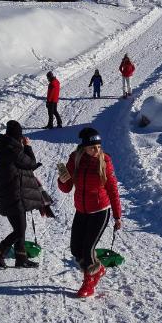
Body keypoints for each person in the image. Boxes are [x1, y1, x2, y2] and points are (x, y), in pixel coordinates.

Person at [57, 127, 122, 298]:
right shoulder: (75, 159)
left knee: (88, 249)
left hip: (100, 210)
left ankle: (89, 283)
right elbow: (66, 187)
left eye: (99, 147)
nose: (97, 150)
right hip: (81, 210)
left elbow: (113, 189)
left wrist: (117, 216)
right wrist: (62, 181)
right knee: (76, 249)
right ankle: (98, 269)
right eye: (93, 147)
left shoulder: (104, 161)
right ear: (84, 147)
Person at [0, 120, 45, 269]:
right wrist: (27, 146)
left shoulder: (2, 145)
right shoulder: (13, 149)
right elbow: (30, 163)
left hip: (8, 193)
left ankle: (21, 258)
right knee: (20, 229)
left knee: (20, 227)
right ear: (17, 136)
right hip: (12, 194)